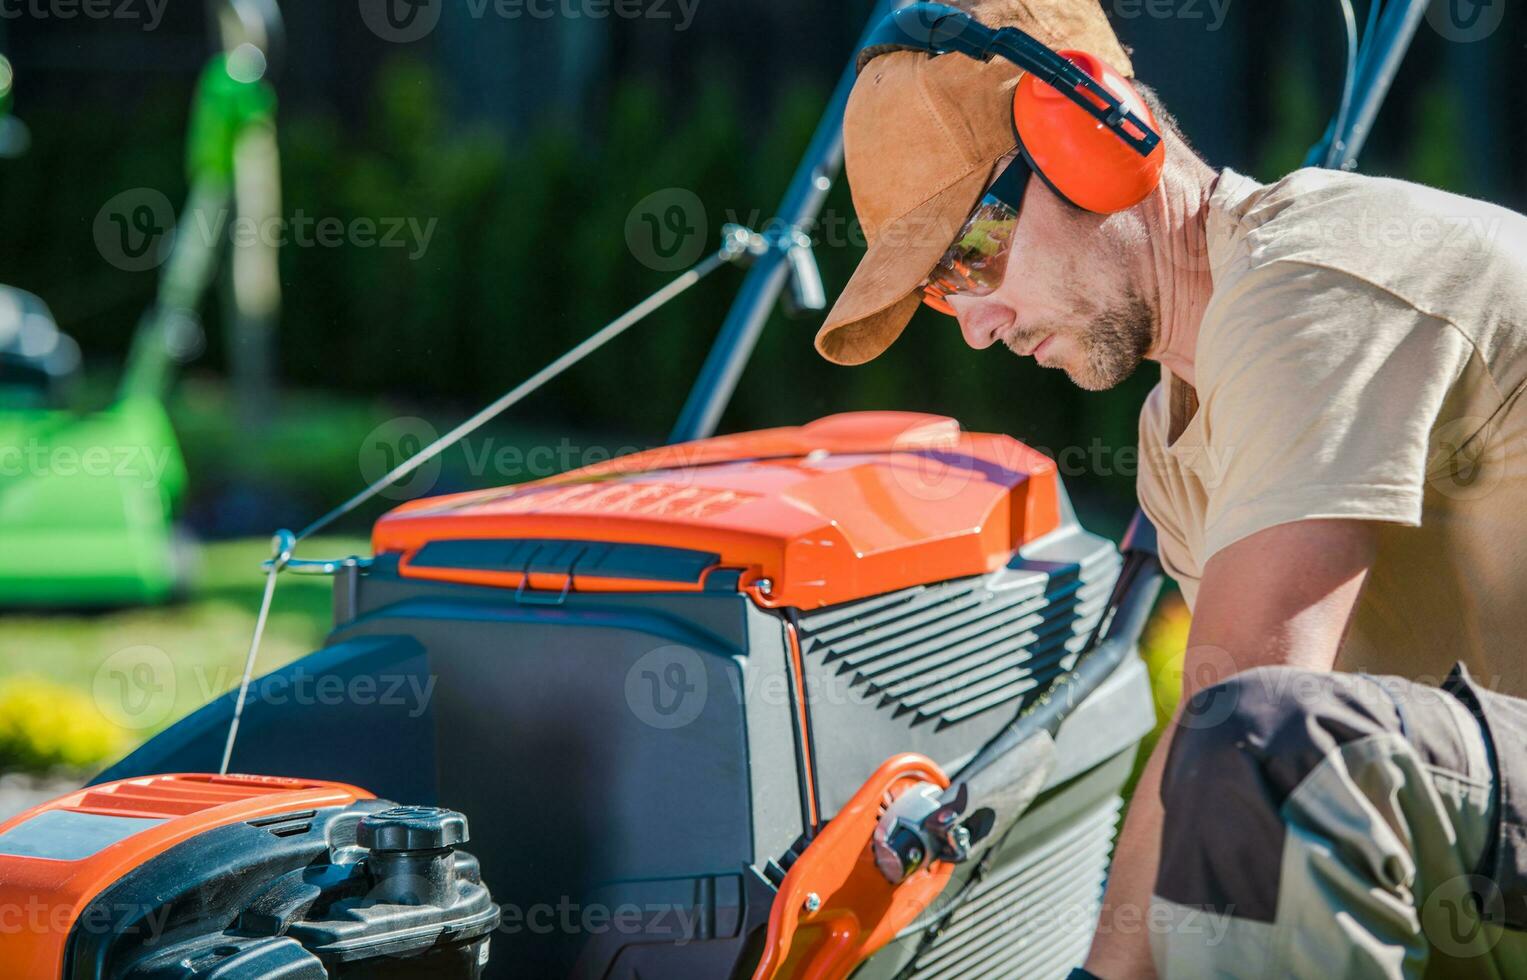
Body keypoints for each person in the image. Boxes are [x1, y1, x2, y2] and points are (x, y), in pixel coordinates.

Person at [814, 1, 1527, 976]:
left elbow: (1251, 721)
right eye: (942, 296)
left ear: (1089, 133)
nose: (973, 324)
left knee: (1267, 751)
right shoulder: (1172, 433)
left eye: (968, 255)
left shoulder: (1309, 278)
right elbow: (1204, 743)